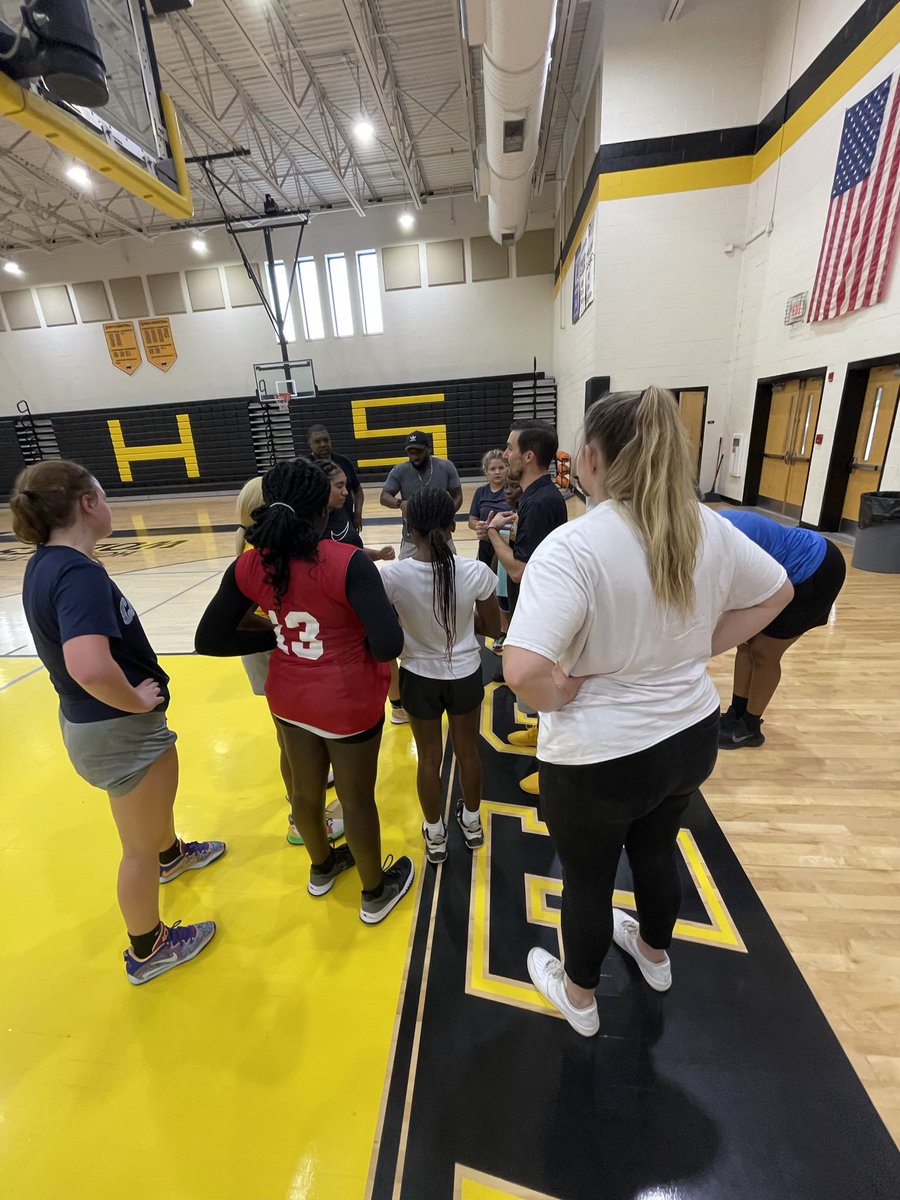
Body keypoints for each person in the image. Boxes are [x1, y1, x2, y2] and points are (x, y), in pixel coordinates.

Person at [501, 387, 793, 1037]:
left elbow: (521, 671)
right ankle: (655, 957)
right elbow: (780, 591)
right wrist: (697, 647)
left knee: (587, 880)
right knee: (658, 851)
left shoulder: (575, 548)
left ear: (595, 459)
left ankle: (580, 996)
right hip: (689, 737)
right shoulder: (706, 525)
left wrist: (560, 694)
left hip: (599, 758)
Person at [11, 460, 223, 985]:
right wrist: (135, 700)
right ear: (87, 504)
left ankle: (171, 854)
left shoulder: (48, 563)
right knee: (135, 848)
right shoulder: (75, 574)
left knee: (148, 819)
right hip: (115, 726)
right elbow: (87, 665)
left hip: (98, 726)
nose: (109, 504)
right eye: (103, 496)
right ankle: (148, 947)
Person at [195, 459, 415, 925]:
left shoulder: (250, 564)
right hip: (346, 701)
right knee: (356, 800)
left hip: (289, 697)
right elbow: (388, 643)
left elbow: (209, 640)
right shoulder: (347, 560)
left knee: (304, 792)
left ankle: (322, 867)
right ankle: (375, 892)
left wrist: (276, 636)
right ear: (321, 512)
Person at [380, 488, 500, 864]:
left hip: (418, 677)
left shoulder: (392, 577)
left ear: (407, 528)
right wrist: (463, 622)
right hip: (465, 674)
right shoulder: (476, 572)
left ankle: (435, 834)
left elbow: (385, 634)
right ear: (452, 527)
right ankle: (472, 822)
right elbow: (493, 629)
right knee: (468, 754)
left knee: (429, 758)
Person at [234, 474, 344, 847]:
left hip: (280, 650)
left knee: (289, 737)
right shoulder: (259, 560)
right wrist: (278, 630)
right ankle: (300, 818)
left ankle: (302, 797)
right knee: (288, 739)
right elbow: (231, 621)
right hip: (273, 650)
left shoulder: (263, 552)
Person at [476, 421, 568, 791]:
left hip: (543, 608)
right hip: (534, 605)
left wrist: (493, 533)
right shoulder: (533, 496)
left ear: (529, 456)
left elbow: (518, 570)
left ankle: (554, 768)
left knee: (545, 680)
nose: (505, 455)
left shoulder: (543, 500)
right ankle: (541, 731)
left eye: (510, 448)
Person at [717, 508, 847, 749]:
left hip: (816, 570)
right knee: (745, 645)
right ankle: (735, 713)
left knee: (764, 652)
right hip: (777, 574)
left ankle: (750, 728)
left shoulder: (725, 543)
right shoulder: (708, 531)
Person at [379, 430, 463, 560]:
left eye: (419, 452)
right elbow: (384, 496)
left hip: (442, 536)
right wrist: (400, 504)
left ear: (428, 449)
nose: (414, 457)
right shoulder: (400, 470)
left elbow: (457, 495)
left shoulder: (446, 466)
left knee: (450, 573)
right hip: (412, 539)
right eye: (410, 453)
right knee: (405, 576)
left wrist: (448, 512)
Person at [315, 459, 395, 563]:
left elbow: (354, 551)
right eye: (339, 486)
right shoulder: (312, 525)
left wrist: (379, 554)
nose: (346, 492)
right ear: (322, 486)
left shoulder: (339, 510)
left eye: (346, 485)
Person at [305, 423, 364, 532]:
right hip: (318, 527)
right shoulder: (305, 467)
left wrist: (357, 513)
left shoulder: (344, 462)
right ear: (310, 444)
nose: (323, 444)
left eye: (326, 440)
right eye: (317, 442)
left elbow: (358, 490)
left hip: (347, 523)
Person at [468, 449, 511, 566]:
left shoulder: (513, 491)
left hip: (508, 544)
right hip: (486, 545)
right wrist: (480, 526)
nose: (497, 472)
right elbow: (471, 520)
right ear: (486, 472)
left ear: (508, 468)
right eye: (492, 469)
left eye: (501, 468)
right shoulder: (480, 492)